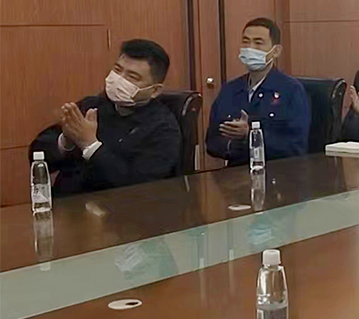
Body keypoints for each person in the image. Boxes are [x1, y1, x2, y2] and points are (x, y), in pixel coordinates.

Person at [30, 39, 180, 196]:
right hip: (64, 204)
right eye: (117, 70)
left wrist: (91, 146)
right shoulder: (92, 105)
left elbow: (137, 187)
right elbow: (37, 155)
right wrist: (65, 142)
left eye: (132, 77)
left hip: (115, 208)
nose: (119, 79)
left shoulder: (164, 129)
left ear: (155, 91)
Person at [206, 17, 310, 166]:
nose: (250, 48)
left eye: (258, 43)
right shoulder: (230, 89)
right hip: (235, 174)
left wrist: (249, 135)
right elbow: (212, 142)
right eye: (246, 41)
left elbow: (295, 147)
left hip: (279, 173)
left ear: (276, 51)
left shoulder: (291, 90)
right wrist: (233, 146)